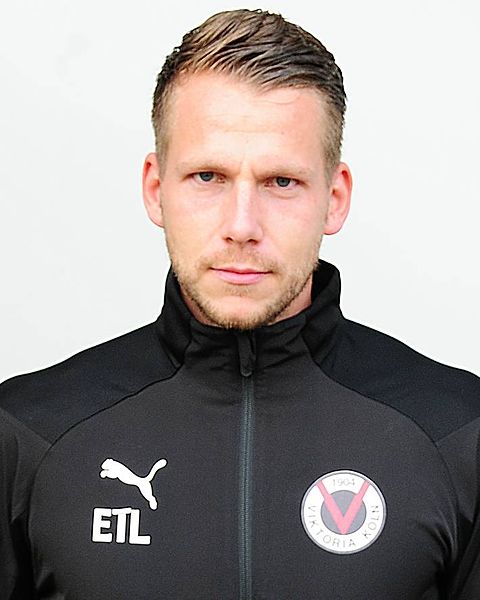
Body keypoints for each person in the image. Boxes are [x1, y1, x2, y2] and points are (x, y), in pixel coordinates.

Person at [0, 8, 478, 599]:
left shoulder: (459, 436)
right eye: (208, 177)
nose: (242, 226)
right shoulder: (28, 436)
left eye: (281, 182)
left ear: (334, 198)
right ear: (155, 188)